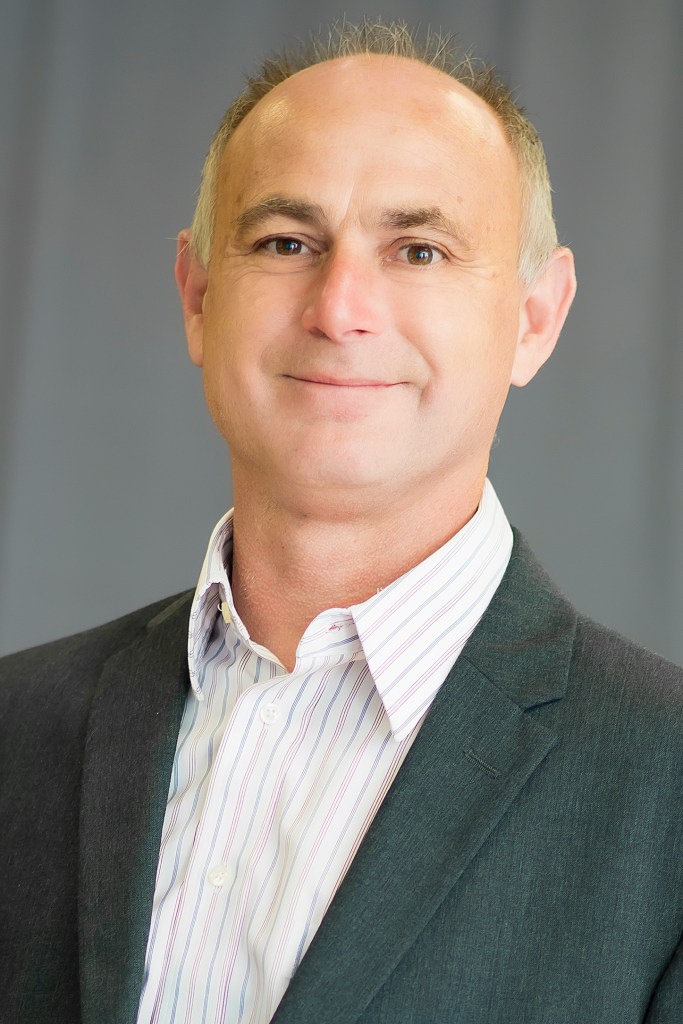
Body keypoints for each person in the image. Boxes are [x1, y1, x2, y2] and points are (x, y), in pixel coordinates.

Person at [0, 19, 681, 1024]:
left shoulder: (663, 786)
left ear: (534, 318)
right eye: (286, 242)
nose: (339, 308)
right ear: (198, 296)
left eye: (419, 249)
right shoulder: (15, 728)